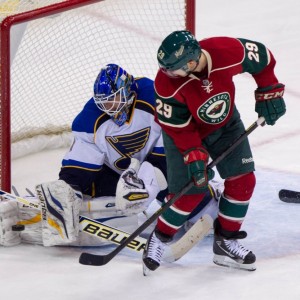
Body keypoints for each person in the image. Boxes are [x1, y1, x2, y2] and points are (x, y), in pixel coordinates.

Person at [0, 63, 218, 248]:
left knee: (208, 216)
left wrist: (146, 182)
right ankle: (26, 212)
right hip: (115, 172)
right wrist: (69, 190)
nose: (109, 108)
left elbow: (173, 147)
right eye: (104, 103)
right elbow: (80, 165)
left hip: (161, 165)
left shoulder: (156, 98)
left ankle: (207, 194)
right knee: (93, 202)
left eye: (113, 100)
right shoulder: (89, 121)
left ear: (128, 91)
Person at [142, 30, 286, 273]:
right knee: (189, 194)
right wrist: (193, 154)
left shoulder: (225, 51)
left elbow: (262, 58)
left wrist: (268, 90)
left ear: (191, 62)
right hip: (185, 133)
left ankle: (226, 242)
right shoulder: (166, 83)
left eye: (171, 68)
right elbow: (175, 126)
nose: (166, 73)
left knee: (243, 180)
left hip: (226, 123)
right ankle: (159, 237)